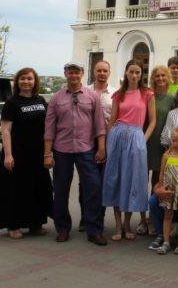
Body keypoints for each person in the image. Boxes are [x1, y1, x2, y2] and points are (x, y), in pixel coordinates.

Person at [44, 62, 107, 246]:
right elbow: (49, 128)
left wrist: (101, 147)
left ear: (82, 74)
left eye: (77, 72)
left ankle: (94, 229)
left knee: (93, 188)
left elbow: (100, 125)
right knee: (61, 190)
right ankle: (62, 228)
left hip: (86, 149)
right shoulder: (56, 98)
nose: (73, 75)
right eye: (70, 72)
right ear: (65, 74)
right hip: (61, 150)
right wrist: (47, 154)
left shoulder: (92, 96)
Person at [0, 67, 52, 239]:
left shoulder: (40, 100)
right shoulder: (12, 103)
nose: (26, 82)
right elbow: (6, 130)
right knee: (16, 189)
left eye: (29, 78)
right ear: (17, 82)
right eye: (22, 78)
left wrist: (48, 152)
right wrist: (8, 154)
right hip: (18, 153)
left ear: (35, 81)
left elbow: (47, 126)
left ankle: (35, 224)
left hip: (37, 154)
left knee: (37, 188)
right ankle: (13, 225)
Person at [102, 59, 156, 242]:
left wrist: (143, 138)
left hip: (136, 137)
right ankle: (117, 226)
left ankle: (127, 224)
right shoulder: (119, 94)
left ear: (141, 75)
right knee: (115, 179)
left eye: (137, 73)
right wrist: (108, 142)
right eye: (131, 72)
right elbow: (112, 120)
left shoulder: (147, 94)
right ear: (126, 72)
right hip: (117, 136)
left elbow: (153, 121)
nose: (134, 75)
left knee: (132, 180)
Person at [78, 60, 116, 232]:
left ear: (109, 72)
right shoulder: (84, 92)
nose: (102, 73)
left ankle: (98, 216)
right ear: (94, 72)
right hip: (86, 141)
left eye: (105, 70)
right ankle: (84, 217)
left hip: (107, 141)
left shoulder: (114, 93)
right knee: (85, 182)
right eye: (99, 70)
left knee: (102, 181)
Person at [154, 126, 178, 254]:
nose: (175, 143)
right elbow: (162, 173)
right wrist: (161, 188)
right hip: (168, 192)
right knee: (168, 215)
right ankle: (166, 242)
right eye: (173, 140)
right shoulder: (166, 155)